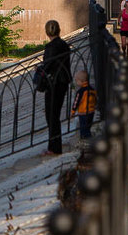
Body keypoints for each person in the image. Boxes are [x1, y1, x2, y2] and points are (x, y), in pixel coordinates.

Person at [41, 19, 72, 156]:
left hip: (54, 83)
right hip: (63, 82)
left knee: (51, 116)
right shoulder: (64, 44)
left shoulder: (51, 47)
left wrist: (40, 73)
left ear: (47, 32)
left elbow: (48, 65)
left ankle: (54, 148)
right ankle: (54, 146)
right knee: (55, 115)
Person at [72, 70, 97, 139]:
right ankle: (87, 137)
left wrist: (73, 111)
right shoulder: (92, 89)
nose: (76, 82)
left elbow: (76, 102)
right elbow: (95, 99)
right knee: (88, 126)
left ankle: (85, 140)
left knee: (83, 128)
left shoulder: (80, 92)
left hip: (83, 113)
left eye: (77, 80)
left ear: (81, 81)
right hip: (91, 111)